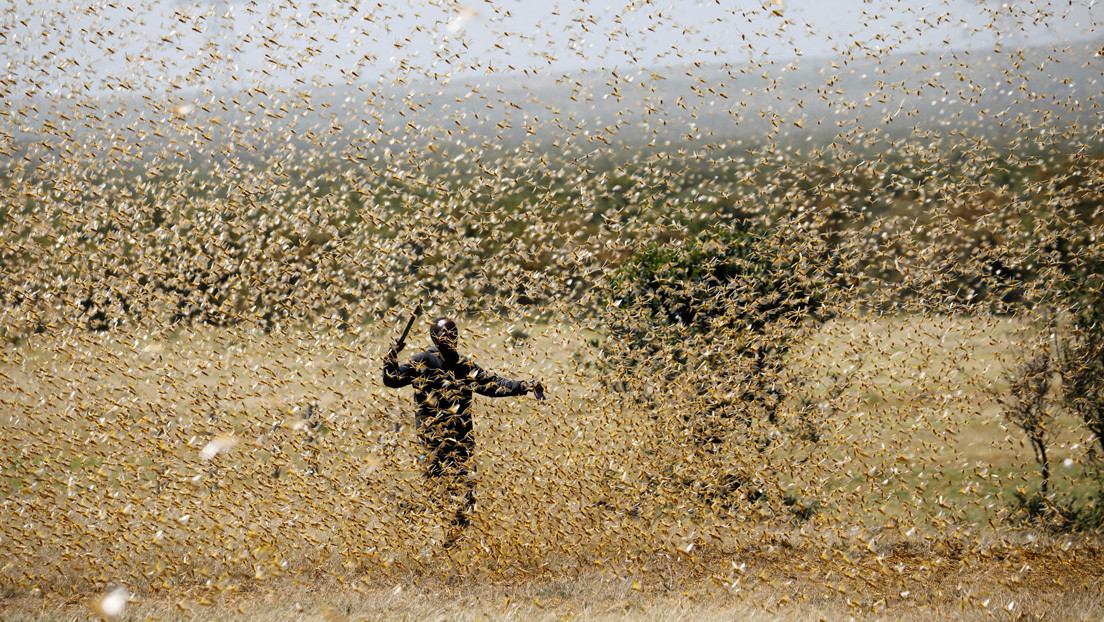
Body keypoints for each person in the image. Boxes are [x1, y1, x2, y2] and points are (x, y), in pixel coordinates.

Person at [382, 316, 544, 547]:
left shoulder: (463, 365)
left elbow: (491, 384)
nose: (450, 338)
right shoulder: (423, 361)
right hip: (434, 444)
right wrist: (392, 354)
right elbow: (392, 380)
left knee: (467, 502)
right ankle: (414, 516)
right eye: (445, 334)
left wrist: (521, 386)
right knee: (439, 498)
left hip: (462, 443)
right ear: (434, 338)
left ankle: (449, 546)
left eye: (453, 333)